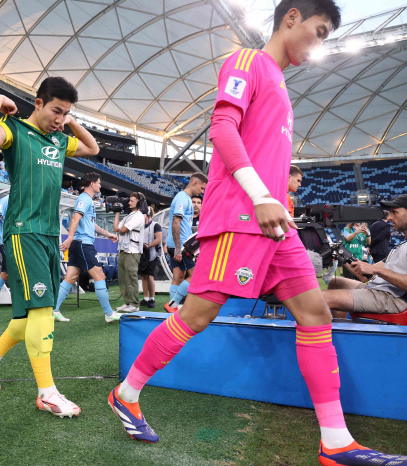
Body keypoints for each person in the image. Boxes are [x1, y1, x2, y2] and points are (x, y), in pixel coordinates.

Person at [107, 3, 405, 464]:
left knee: (315, 315)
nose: (319, 42)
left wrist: (275, 204)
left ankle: (335, 441)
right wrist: (261, 196)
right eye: (319, 31)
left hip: (274, 228)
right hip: (240, 220)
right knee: (197, 315)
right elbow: (222, 127)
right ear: (292, 18)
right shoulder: (248, 61)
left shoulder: (280, 86)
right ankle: (126, 393)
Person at [0, 77, 99, 417]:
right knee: (43, 310)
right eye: (56, 110)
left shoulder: (59, 139)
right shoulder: (14, 129)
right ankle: (47, 393)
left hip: (47, 235)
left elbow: (93, 148)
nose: (60, 119)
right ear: (38, 103)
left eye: (66, 113)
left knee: (32, 312)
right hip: (22, 230)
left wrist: (69, 120)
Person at [324, 195, 407, 319]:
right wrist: (341, 254)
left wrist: (377, 270)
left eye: (394, 212)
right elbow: (364, 276)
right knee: (336, 282)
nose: (389, 217)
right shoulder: (401, 246)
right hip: (378, 290)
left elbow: (375, 270)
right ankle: (341, 327)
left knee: (319, 298)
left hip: (392, 298)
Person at [54, 172, 120, 323]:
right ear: (92, 184)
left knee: (70, 277)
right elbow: (76, 218)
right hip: (83, 244)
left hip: (80, 244)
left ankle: (54, 310)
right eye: (99, 182)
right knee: (100, 275)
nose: (100, 185)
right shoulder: (84, 199)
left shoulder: (88, 200)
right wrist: (69, 238)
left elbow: (91, 224)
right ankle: (109, 314)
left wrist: (108, 234)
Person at [165, 173, 207, 313]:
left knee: (179, 276)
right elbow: (176, 222)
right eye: (201, 188)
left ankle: (173, 308)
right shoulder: (182, 198)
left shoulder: (185, 198)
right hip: (181, 245)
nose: (202, 192)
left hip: (179, 244)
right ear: (194, 183)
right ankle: (173, 304)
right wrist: (178, 248)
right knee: (195, 275)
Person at [114, 193, 146, 313]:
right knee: (123, 279)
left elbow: (122, 230)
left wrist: (120, 228)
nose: (129, 202)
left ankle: (134, 304)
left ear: (138, 203)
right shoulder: (129, 216)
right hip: (123, 249)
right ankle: (127, 303)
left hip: (133, 250)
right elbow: (115, 228)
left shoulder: (138, 216)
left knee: (131, 278)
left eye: (132, 201)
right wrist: (117, 212)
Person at [140, 206, 163, 308]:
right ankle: (145, 298)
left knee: (150, 277)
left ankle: (152, 299)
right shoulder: (140, 226)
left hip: (152, 254)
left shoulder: (155, 225)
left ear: (148, 213)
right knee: (143, 276)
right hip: (142, 254)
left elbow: (158, 239)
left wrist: (148, 245)